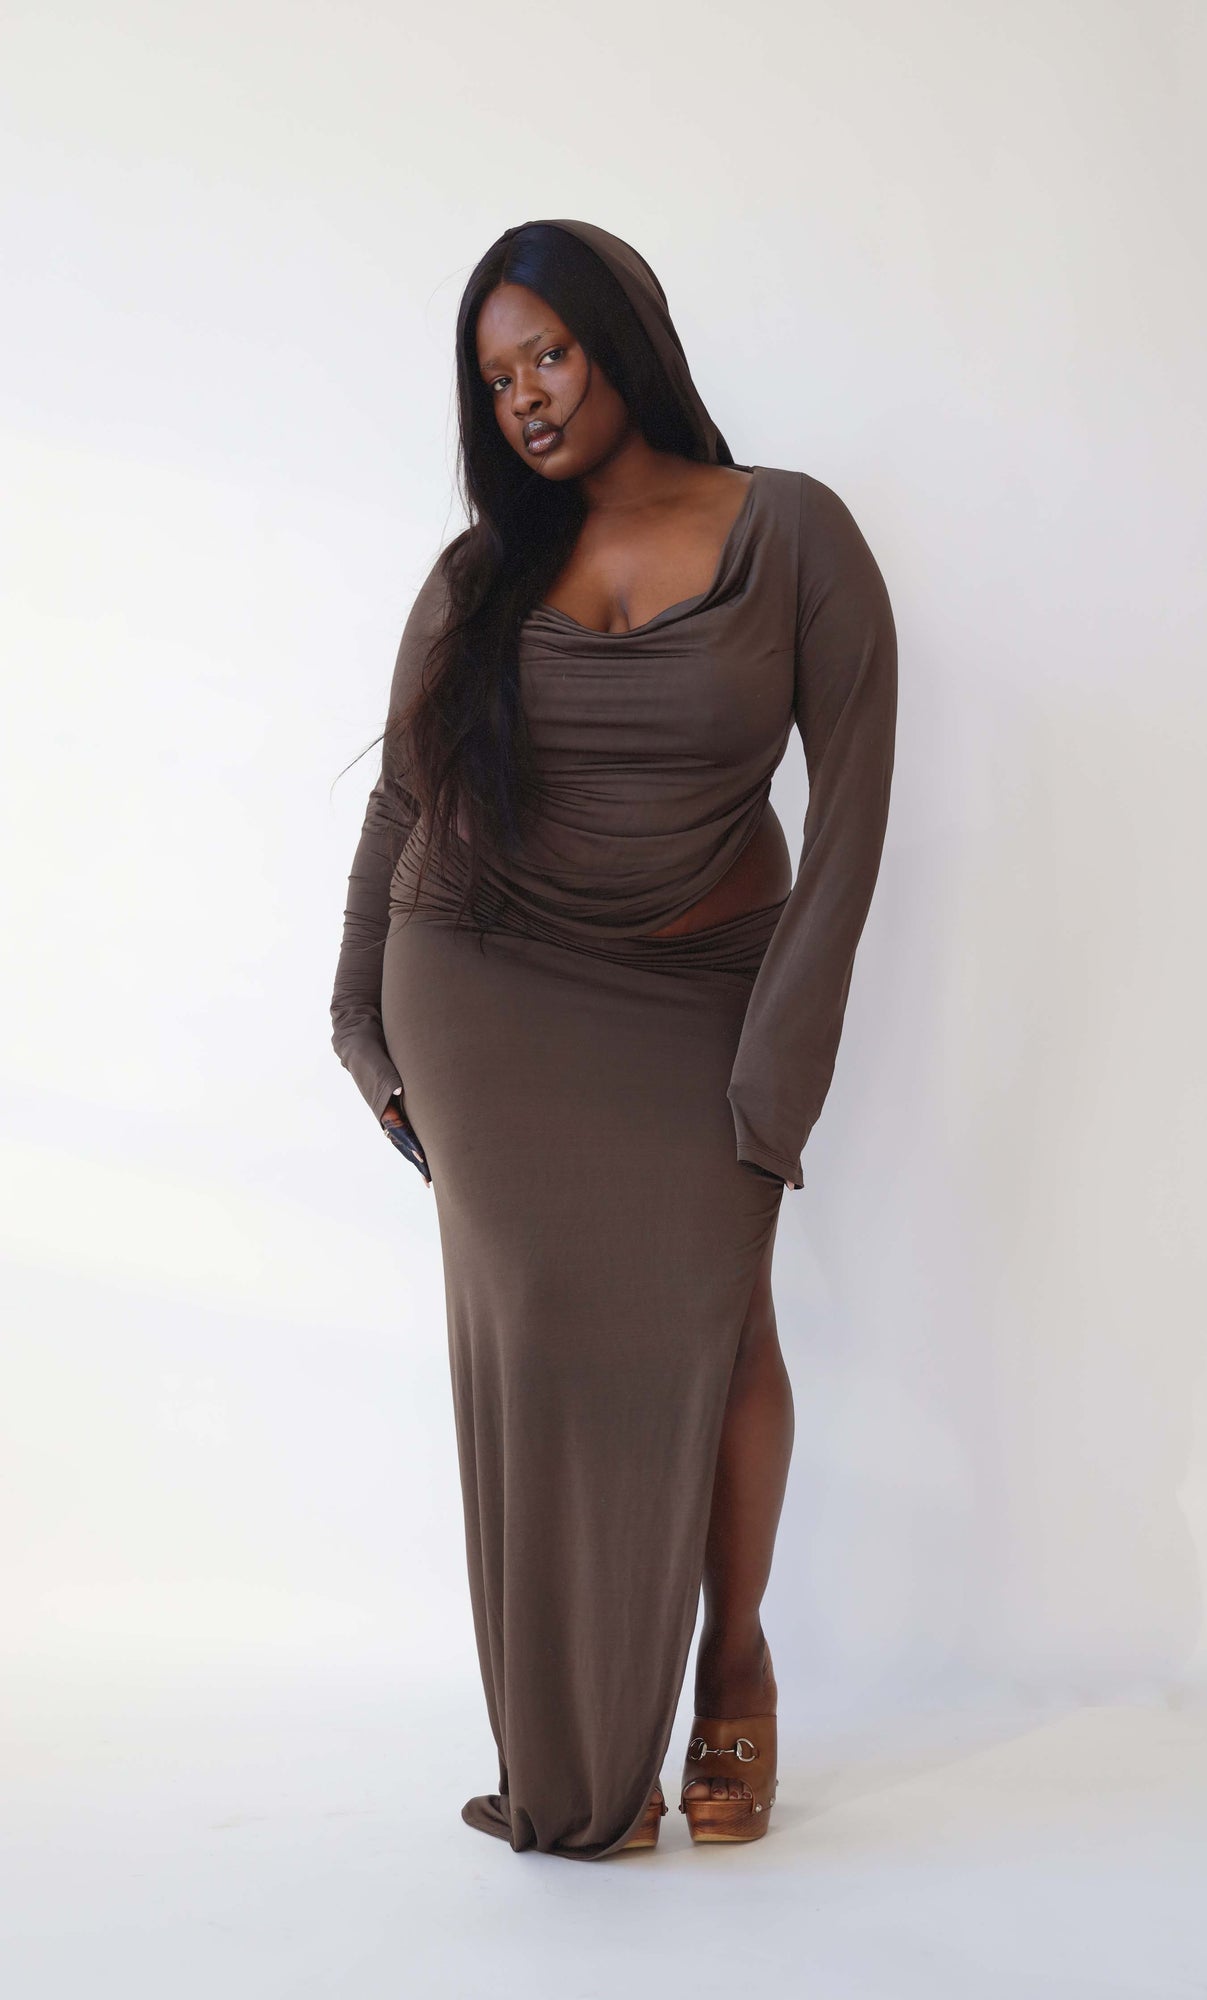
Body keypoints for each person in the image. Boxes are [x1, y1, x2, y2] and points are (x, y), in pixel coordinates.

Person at [330, 218, 898, 1860]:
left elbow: (851, 817)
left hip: (703, 981)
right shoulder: (479, 578)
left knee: (725, 1329)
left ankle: (734, 1668)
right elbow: (402, 799)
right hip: (484, 980)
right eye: (494, 378)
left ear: (622, 339)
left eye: (548, 356)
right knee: (542, 1342)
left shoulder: (792, 532)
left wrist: (780, 1062)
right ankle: (583, 1754)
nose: (523, 398)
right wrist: (359, 1019)